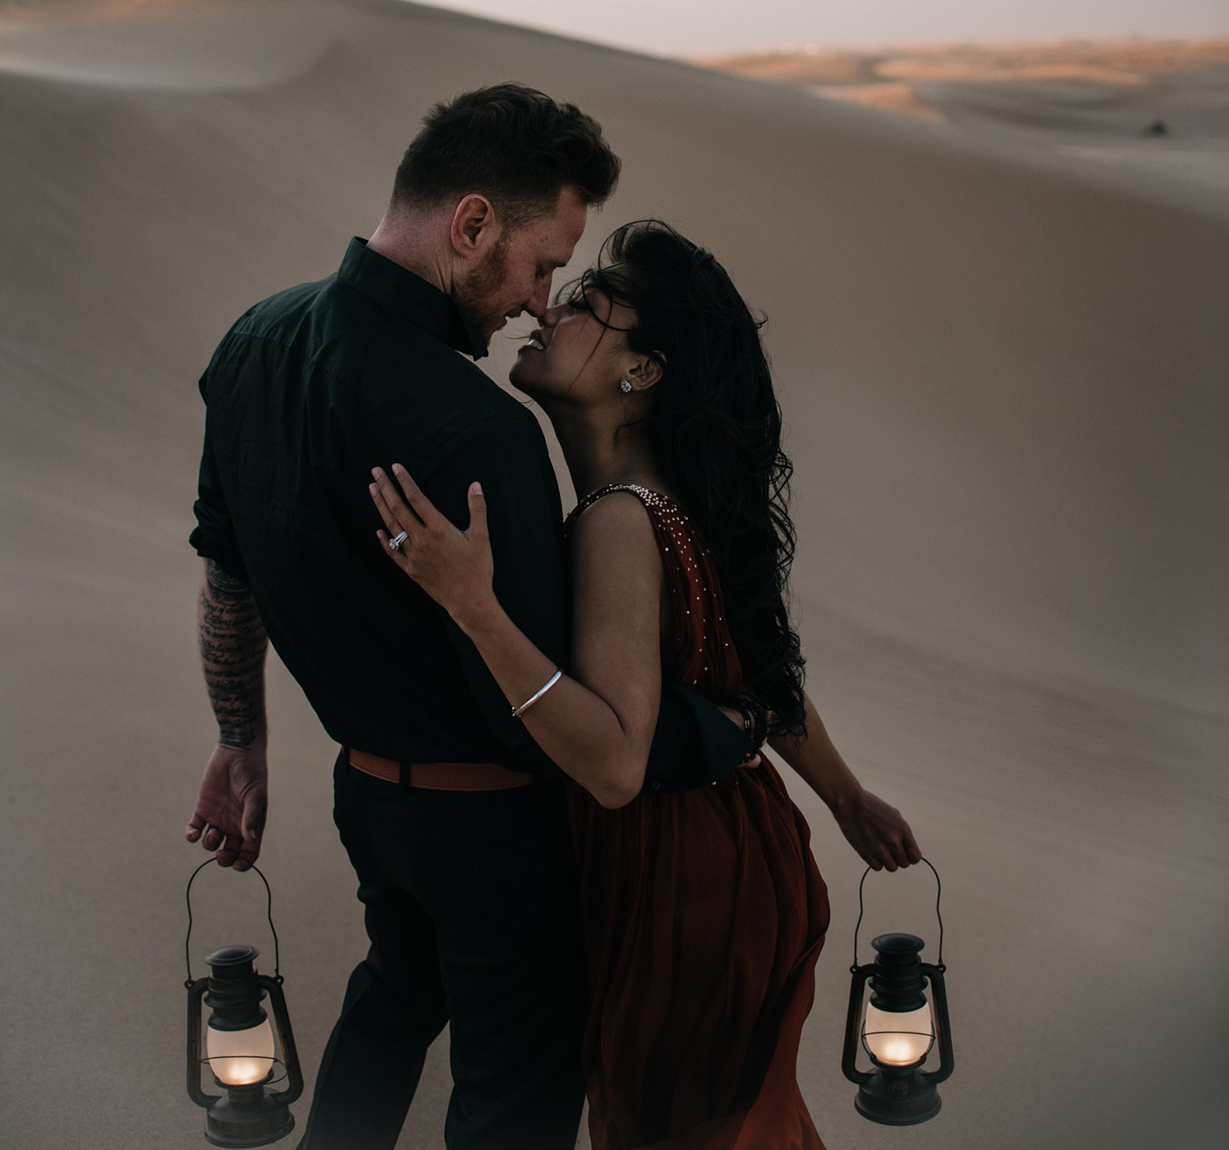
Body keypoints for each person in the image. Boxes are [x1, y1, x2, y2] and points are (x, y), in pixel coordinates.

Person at [184, 88, 757, 1150]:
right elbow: (532, 705)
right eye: (542, 263)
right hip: (494, 830)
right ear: (472, 224)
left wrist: (239, 738)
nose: (540, 301)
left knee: (397, 997)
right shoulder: (475, 429)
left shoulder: (252, 343)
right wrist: (712, 730)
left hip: (368, 801)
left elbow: (229, 576)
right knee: (513, 1097)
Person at [370, 218, 921, 1150]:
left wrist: (473, 606)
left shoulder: (617, 520)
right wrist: (846, 799)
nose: (546, 309)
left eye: (586, 306)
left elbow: (616, 765)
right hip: (745, 856)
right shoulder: (672, 501)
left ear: (643, 372)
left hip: (676, 883)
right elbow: (764, 679)